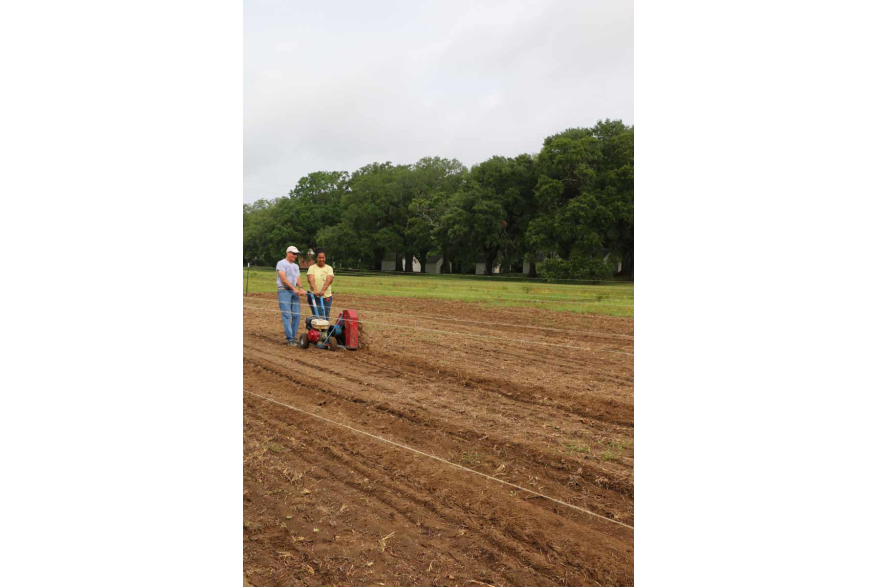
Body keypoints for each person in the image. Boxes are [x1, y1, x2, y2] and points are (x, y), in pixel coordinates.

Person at [276, 246, 306, 346]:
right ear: (287, 253)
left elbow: (298, 277)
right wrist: (294, 288)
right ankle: (290, 339)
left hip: (294, 292)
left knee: (297, 314)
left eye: (296, 254)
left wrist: (301, 287)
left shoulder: (296, 266)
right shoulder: (281, 263)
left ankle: (293, 336)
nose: (295, 255)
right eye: (293, 253)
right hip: (284, 291)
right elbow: (283, 278)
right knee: (287, 315)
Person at [307, 248, 335, 319]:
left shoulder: (329, 268)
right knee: (318, 316)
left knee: (325, 316)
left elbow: (329, 279)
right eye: (319, 258)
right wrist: (315, 290)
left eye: (323, 258)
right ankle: (316, 328)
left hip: (326, 296)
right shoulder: (312, 268)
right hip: (314, 296)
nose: (321, 259)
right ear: (316, 258)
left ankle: (323, 330)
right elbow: (310, 279)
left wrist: (323, 290)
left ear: (325, 258)